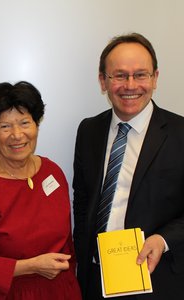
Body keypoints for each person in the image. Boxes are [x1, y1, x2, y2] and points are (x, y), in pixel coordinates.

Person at [73, 32, 184, 300]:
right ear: (103, 81)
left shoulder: (180, 133)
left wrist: (163, 240)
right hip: (95, 280)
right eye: (119, 75)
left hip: (158, 280)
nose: (130, 85)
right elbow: (82, 199)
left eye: (141, 74)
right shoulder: (89, 130)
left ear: (155, 78)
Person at [0, 81, 82, 300]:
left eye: (24, 123)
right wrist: (30, 266)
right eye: (5, 126)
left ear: (36, 125)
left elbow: (68, 245)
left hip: (61, 291)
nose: (17, 134)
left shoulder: (52, 172)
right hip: (10, 294)